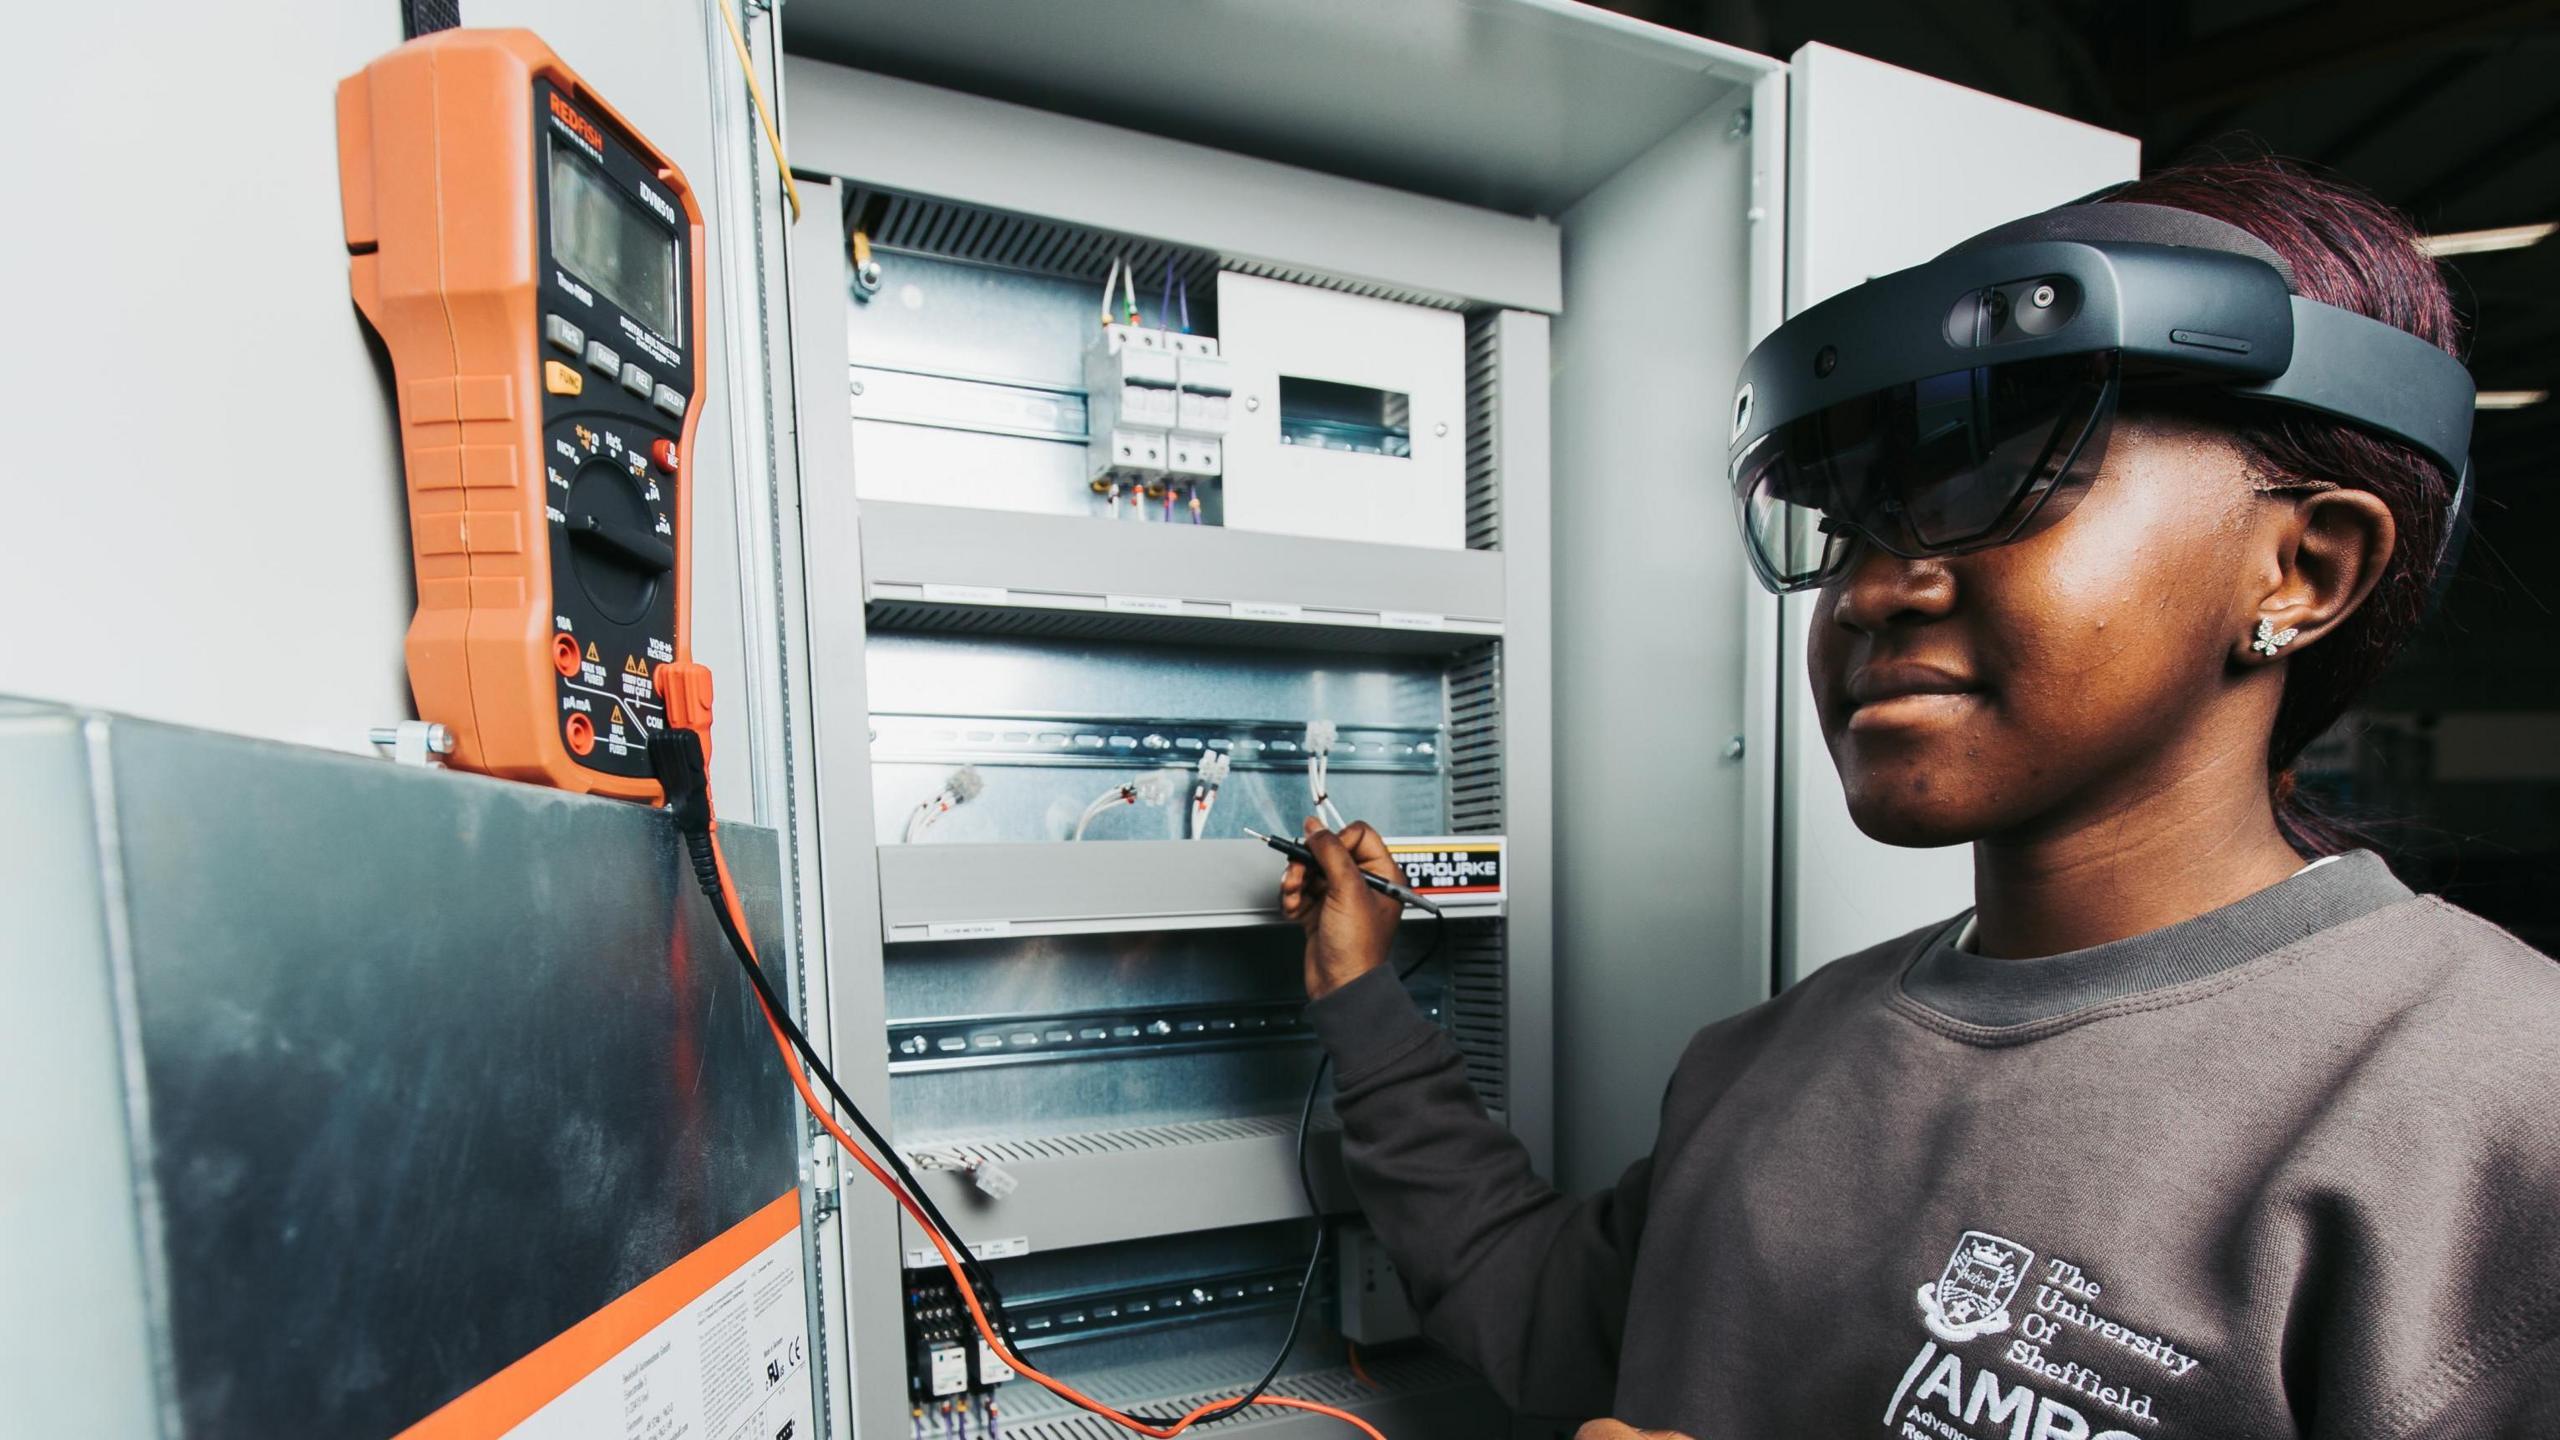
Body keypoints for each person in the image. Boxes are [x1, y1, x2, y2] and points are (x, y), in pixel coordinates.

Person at [1278, 158, 2560, 1440]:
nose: (1873, 590)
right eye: (1848, 524)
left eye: (2000, 475)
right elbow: (1553, 1318)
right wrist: (1362, 997)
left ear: (2304, 568)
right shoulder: (1764, 1062)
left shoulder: (2496, 1103)